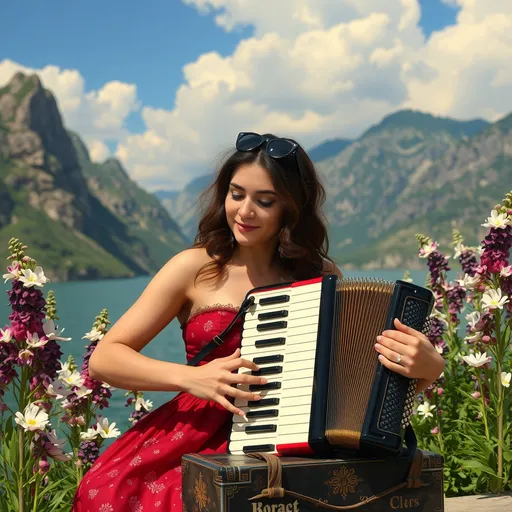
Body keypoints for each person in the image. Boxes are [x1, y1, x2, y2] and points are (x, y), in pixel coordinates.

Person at [72, 132, 445, 511]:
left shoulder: (321, 275)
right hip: (193, 435)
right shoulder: (194, 267)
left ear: (290, 208)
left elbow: (355, 382)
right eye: (236, 194)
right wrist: (191, 377)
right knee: (119, 493)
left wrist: (426, 369)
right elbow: (105, 359)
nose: (245, 211)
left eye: (264, 201)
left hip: (293, 439)